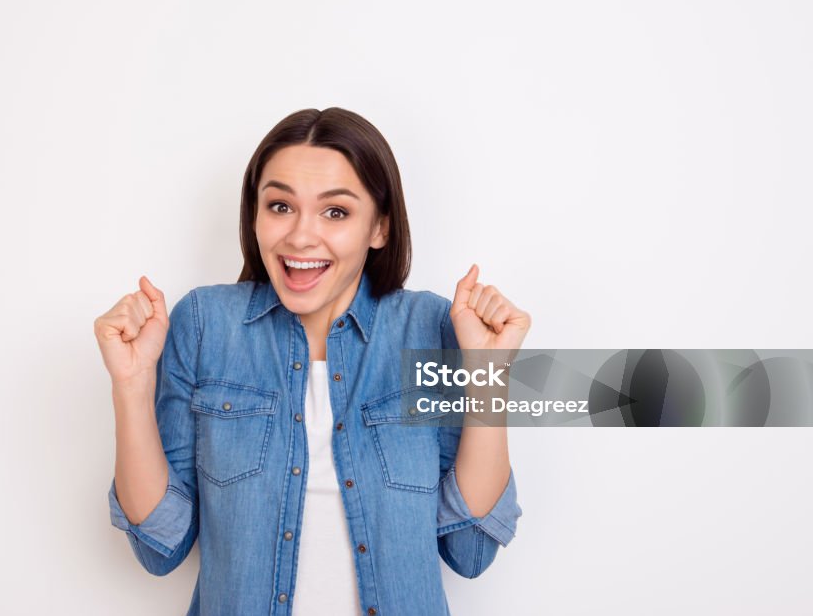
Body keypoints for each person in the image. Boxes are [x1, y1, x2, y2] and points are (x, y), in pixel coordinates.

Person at [94, 107, 530, 615]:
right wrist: (130, 384)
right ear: (253, 214)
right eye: (280, 206)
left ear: (380, 228)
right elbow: (158, 546)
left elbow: (471, 551)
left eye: (336, 212)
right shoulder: (204, 324)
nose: (300, 237)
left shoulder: (430, 329)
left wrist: (488, 377)